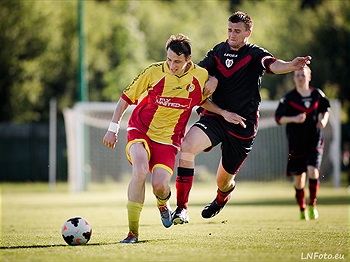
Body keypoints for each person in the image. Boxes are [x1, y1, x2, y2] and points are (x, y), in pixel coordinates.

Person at [172, 11, 312, 225]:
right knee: (188, 146)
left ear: (248, 32)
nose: (232, 35)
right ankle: (181, 209)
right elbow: (199, 72)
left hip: (242, 126)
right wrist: (213, 78)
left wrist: (291, 65)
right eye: (230, 30)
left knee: (224, 181)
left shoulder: (255, 54)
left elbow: (272, 64)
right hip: (216, 116)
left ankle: (222, 196)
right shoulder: (218, 51)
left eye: (237, 31)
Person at [103, 34, 236, 243]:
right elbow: (125, 99)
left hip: (169, 141)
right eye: (169, 60)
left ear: (188, 60)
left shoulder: (199, 76)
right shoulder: (154, 72)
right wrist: (113, 128)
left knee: (160, 186)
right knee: (140, 170)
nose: (172, 65)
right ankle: (132, 233)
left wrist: (223, 112)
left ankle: (163, 203)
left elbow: (202, 101)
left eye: (177, 61)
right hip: (140, 130)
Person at [274, 66, 330, 220]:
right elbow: (278, 118)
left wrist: (323, 120)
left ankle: (312, 204)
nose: (300, 77)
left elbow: (326, 108)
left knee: (313, 171)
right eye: (297, 75)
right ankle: (302, 207)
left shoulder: (317, 94)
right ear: (294, 78)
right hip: (296, 144)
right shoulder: (289, 98)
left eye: (303, 75)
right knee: (299, 180)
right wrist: (293, 119)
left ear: (309, 77)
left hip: (314, 141)